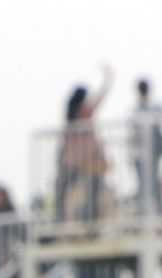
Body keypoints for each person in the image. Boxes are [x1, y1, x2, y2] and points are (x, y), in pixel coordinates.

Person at [56, 65, 112, 223]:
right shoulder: (85, 111)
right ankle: (90, 219)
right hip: (89, 160)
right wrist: (108, 78)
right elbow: (100, 97)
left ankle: (60, 219)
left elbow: (64, 142)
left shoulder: (70, 115)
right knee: (93, 191)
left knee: (63, 191)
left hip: (71, 161)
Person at [130, 77, 162, 216]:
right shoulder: (137, 110)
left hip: (151, 155)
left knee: (152, 185)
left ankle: (159, 216)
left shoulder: (152, 108)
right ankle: (147, 216)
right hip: (140, 155)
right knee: (146, 186)